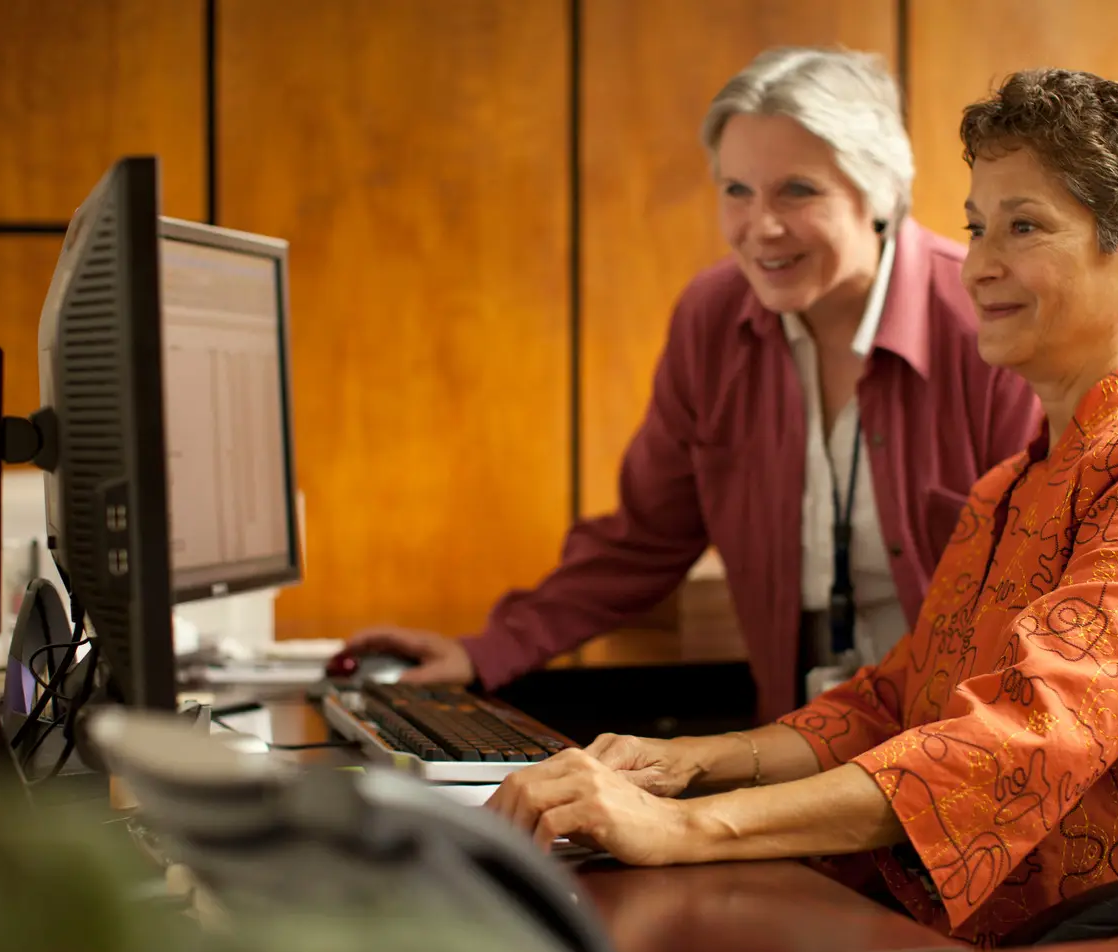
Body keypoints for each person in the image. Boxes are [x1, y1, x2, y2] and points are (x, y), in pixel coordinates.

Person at [487, 68, 1118, 946]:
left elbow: (1023, 739)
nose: (981, 265)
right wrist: (688, 763)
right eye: (976, 226)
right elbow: (894, 701)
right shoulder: (1015, 481)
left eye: (1024, 226)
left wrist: (686, 827)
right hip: (1020, 930)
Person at [347, 47, 1041, 721]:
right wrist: (483, 652)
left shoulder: (987, 319)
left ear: (880, 192)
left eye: (796, 190)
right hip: (794, 754)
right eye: (736, 191)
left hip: (958, 757)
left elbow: (1033, 601)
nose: (759, 227)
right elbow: (643, 539)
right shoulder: (711, 320)